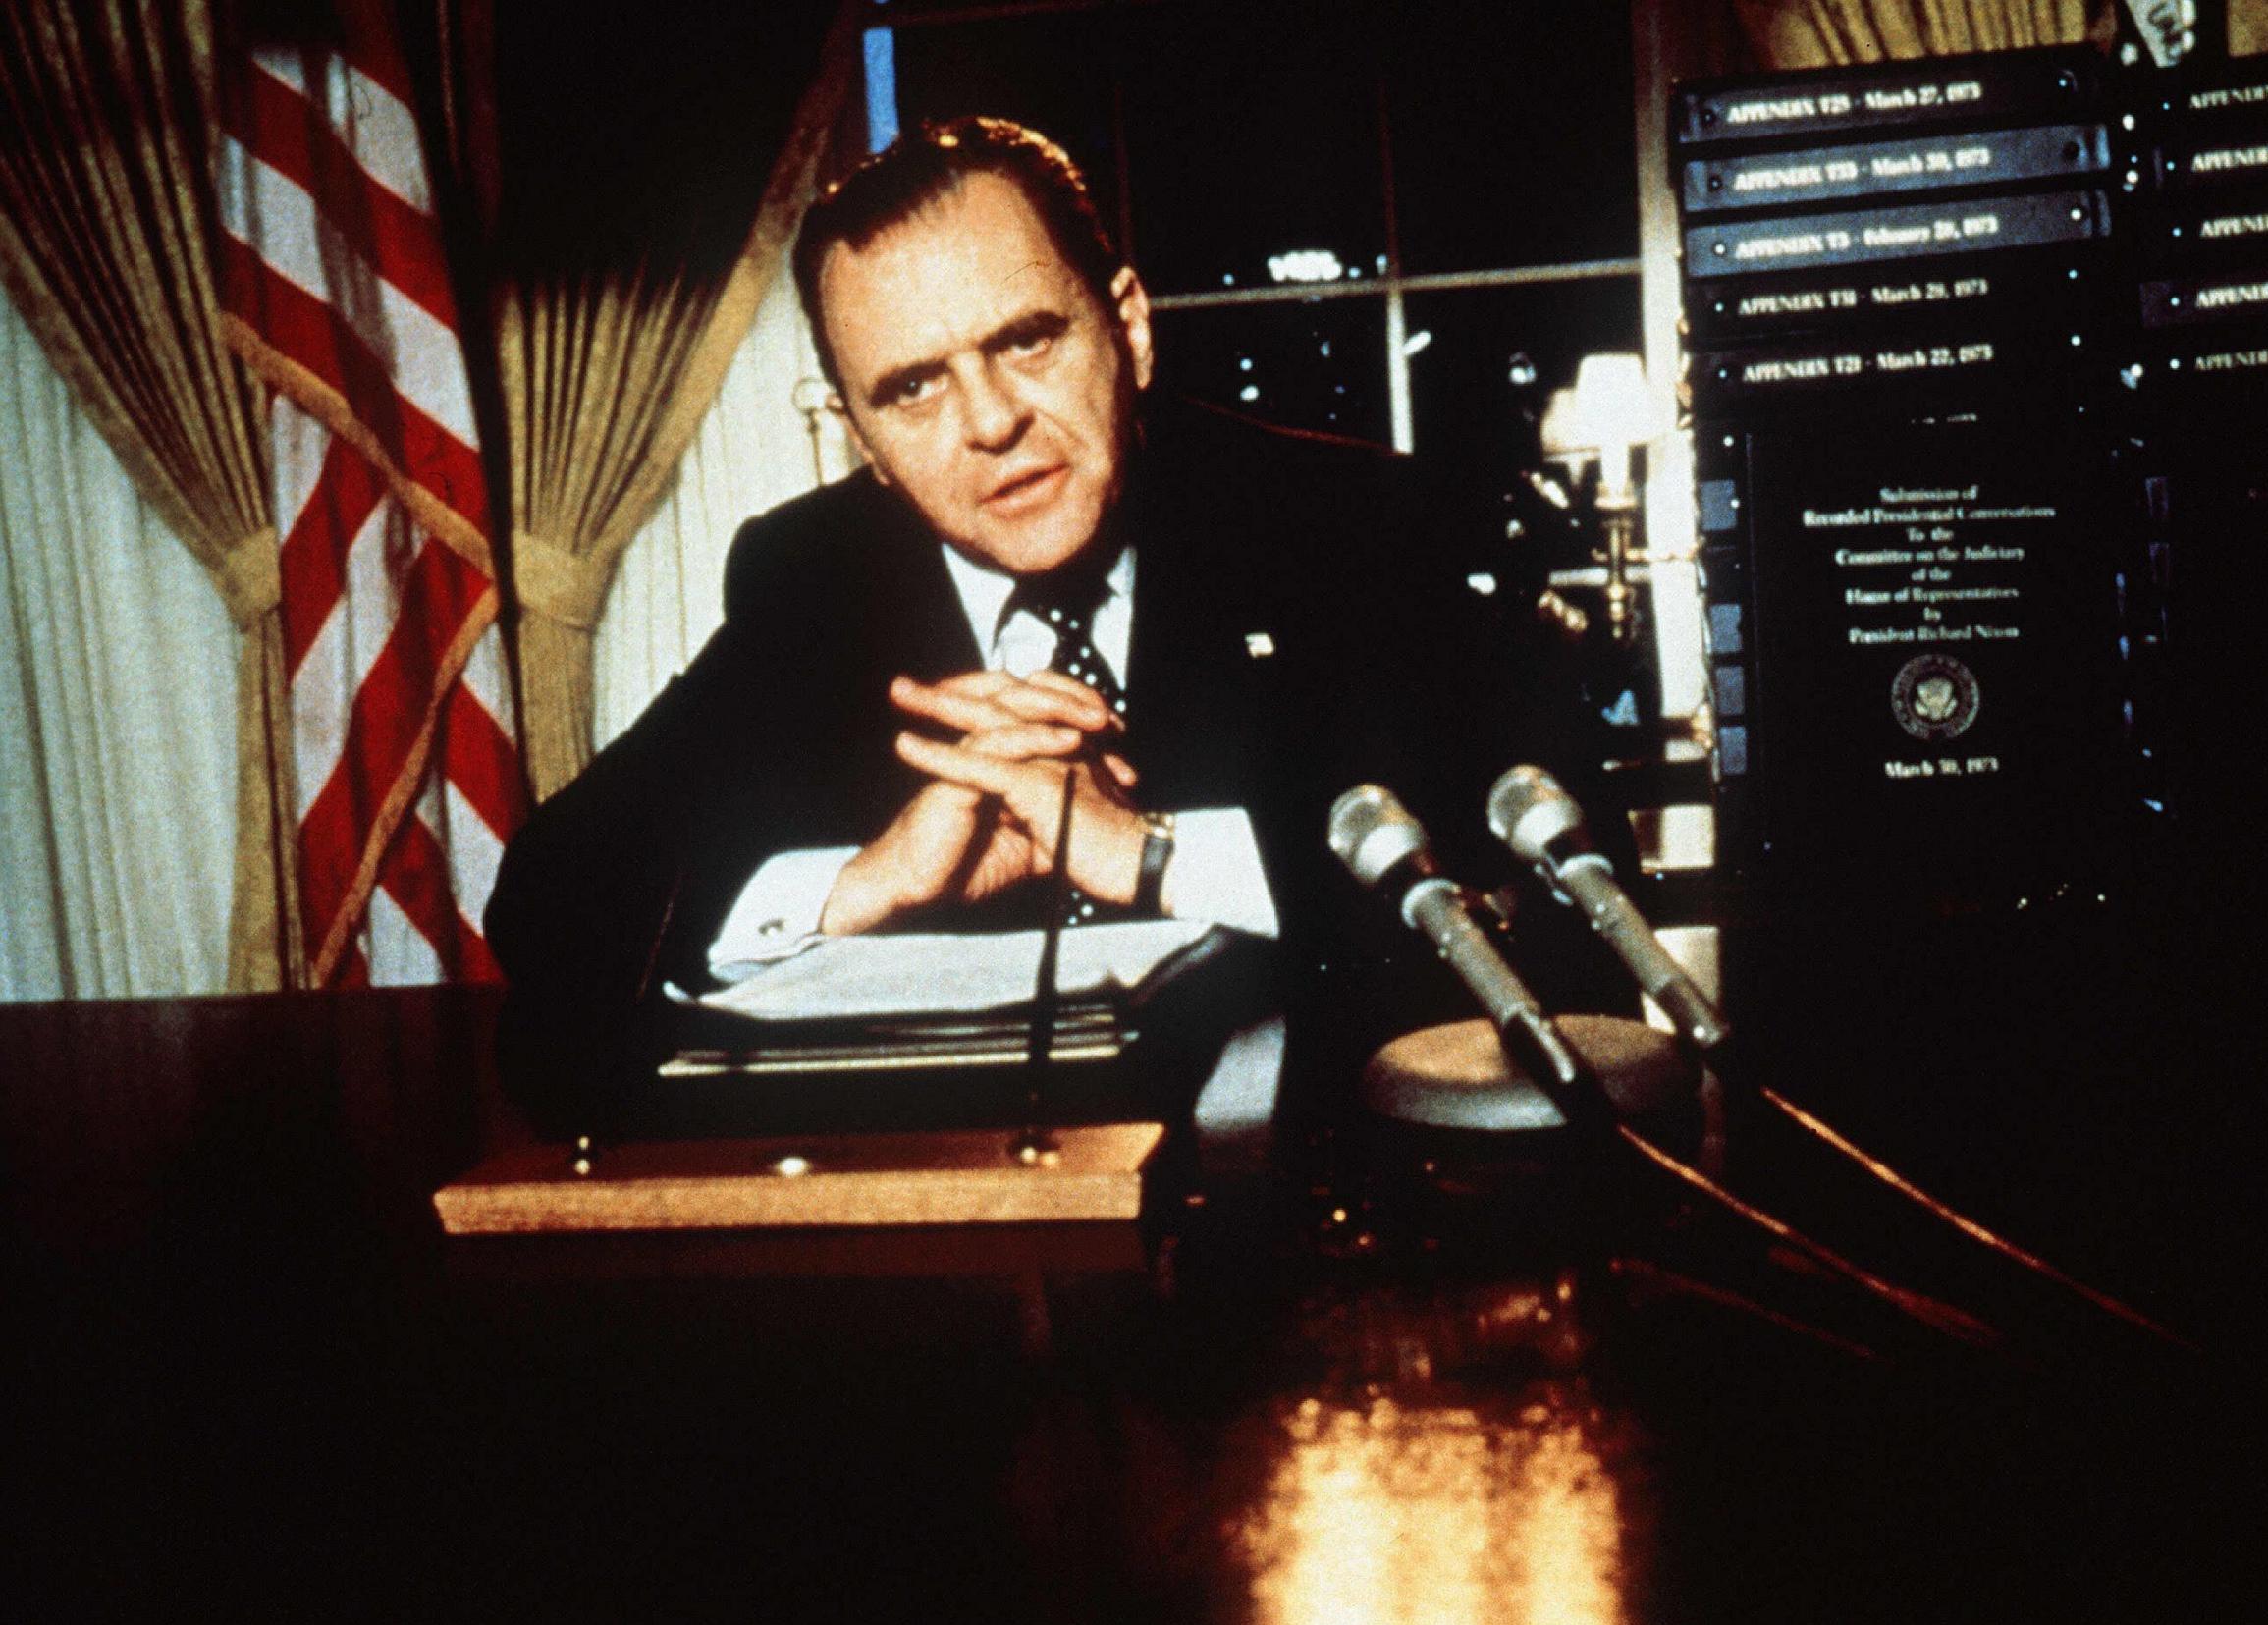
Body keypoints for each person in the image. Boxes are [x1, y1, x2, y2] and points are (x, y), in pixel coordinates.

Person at [484, 118, 1614, 1053]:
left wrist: (1154, 854)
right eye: (912, 388)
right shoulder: (811, 577)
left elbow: (1564, 869)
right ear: (862, 437)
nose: (989, 423)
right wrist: (856, 884)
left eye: (1025, 342)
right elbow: (546, 905)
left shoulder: (1339, 519)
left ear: (1124, 328)